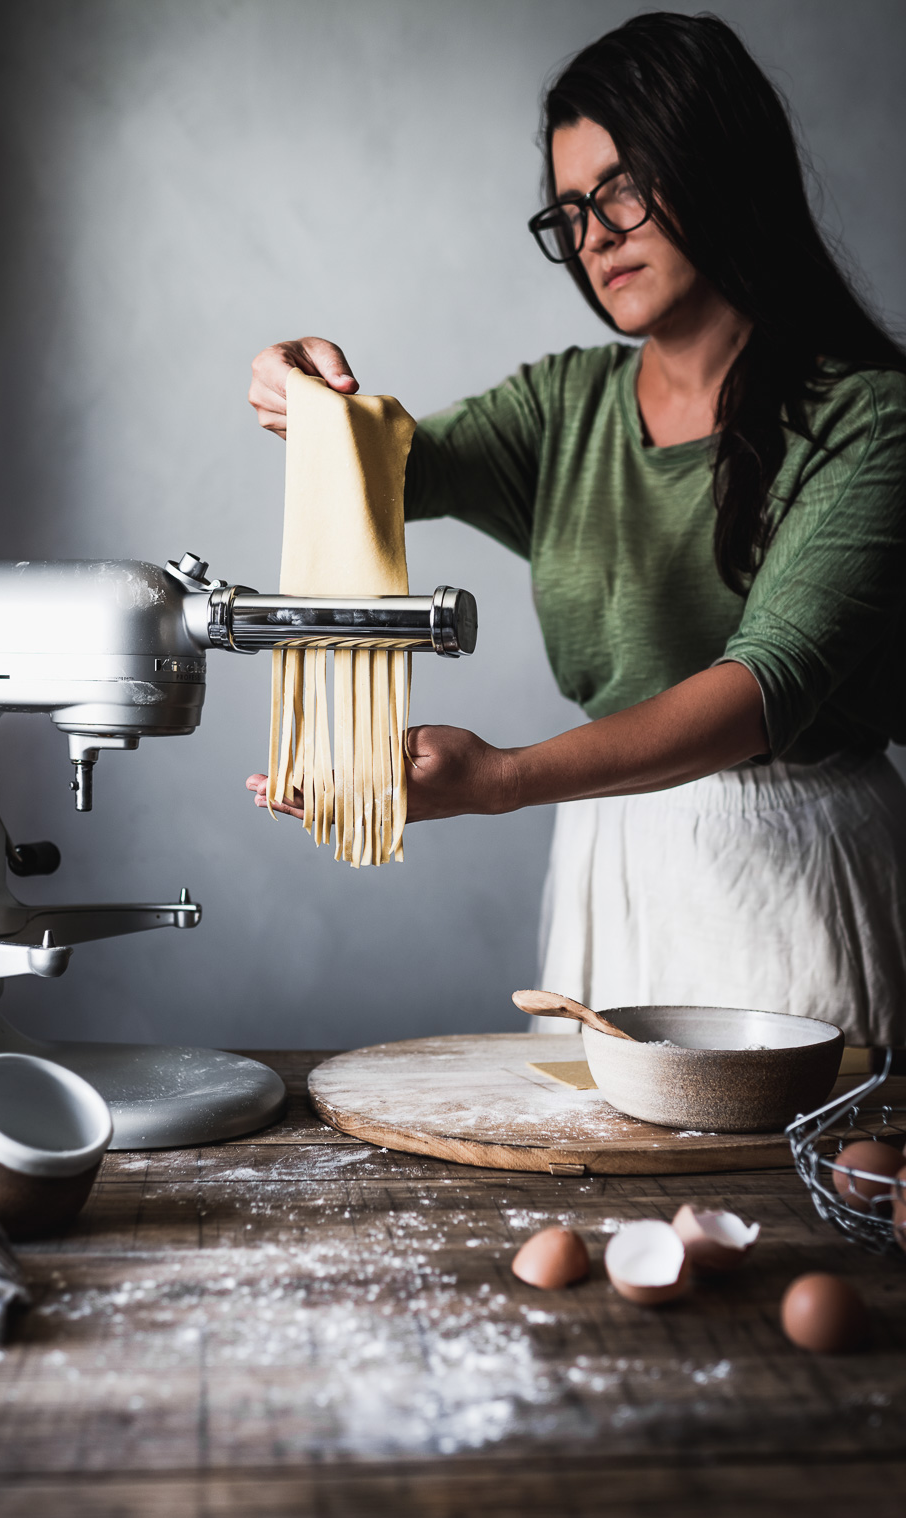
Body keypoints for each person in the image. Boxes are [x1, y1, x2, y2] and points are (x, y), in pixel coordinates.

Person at [245, 11, 906, 1049]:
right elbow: (382, 468)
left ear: (720, 166)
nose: (593, 235)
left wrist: (500, 777)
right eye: (567, 212)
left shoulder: (870, 421)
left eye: (622, 190)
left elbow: (763, 690)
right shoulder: (565, 409)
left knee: (787, 1197)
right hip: (610, 871)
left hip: (797, 880)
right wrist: (306, 397)